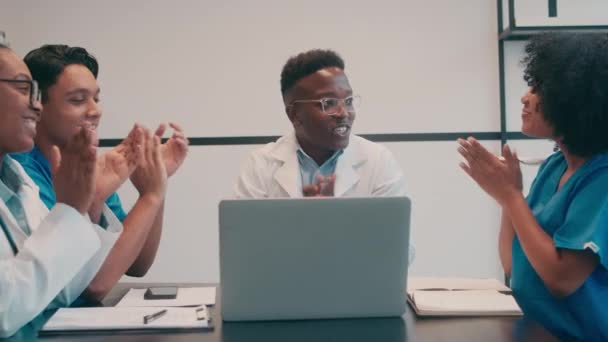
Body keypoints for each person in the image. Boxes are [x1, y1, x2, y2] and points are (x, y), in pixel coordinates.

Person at [458, 33, 608, 340]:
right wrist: (506, 196)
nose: (525, 97)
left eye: (538, 88)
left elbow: (561, 278)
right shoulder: (555, 165)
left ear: (575, 99)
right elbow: (514, 265)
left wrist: (511, 195)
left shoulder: (601, 178)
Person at [13, 45, 189, 301]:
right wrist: (152, 194)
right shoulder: (21, 171)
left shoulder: (89, 164)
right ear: (38, 104)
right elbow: (95, 283)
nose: (95, 110)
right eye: (77, 100)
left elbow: (137, 264)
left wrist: (155, 183)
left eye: (96, 98)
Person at [0, 43, 123, 337]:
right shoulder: (30, 170)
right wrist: (71, 209)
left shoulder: (15, 180)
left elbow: (60, 288)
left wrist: (83, 207)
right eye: (22, 88)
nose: (37, 105)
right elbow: (5, 308)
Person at [234, 49, 406, 198]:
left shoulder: (379, 162)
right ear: (294, 114)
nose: (344, 113)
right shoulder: (260, 165)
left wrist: (329, 215)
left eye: (348, 101)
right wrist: (311, 218)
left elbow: (388, 235)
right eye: (329, 103)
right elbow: (244, 234)